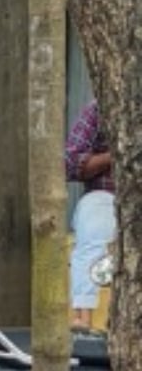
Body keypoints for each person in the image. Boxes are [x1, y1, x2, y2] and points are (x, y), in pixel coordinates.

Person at [65, 100, 115, 331]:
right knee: (95, 224)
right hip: (107, 195)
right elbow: (71, 163)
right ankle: (83, 319)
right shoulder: (102, 106)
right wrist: (117, 154)